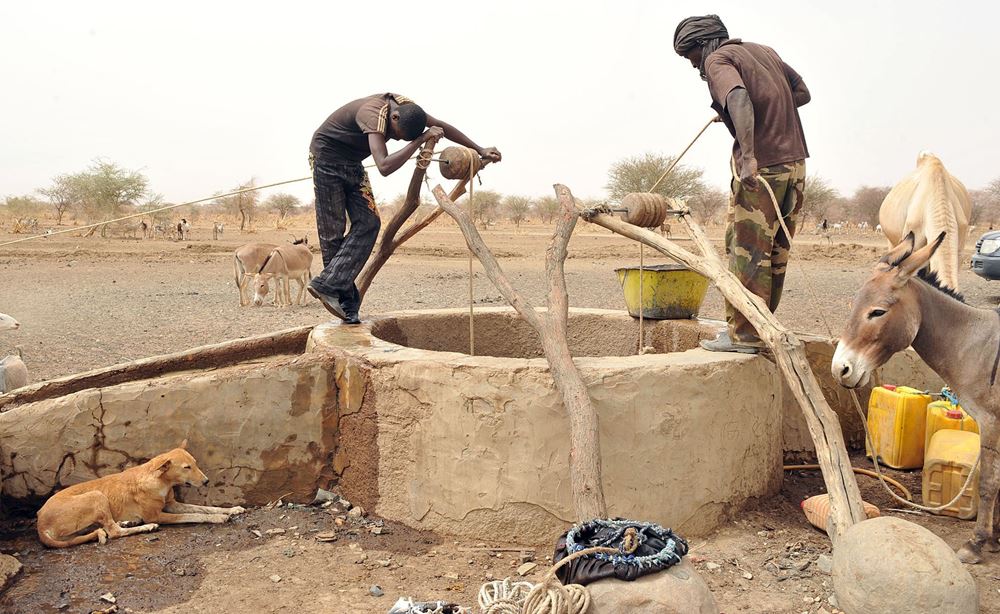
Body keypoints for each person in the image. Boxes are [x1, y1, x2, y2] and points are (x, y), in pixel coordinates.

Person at [673, 15, 810, 353]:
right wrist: (751, 113)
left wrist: (749, 153)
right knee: (775, 253)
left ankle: (744, 336)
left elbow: (738, 96)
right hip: (794, 165)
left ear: (704, 45)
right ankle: (763, 329)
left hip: (760, 170)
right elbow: (802, 93)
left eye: (692, 58)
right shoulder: (764, 51)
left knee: (746, 251)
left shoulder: (718, 59)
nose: (696, 67)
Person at [307, 93, 501, 323]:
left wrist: (479, 149)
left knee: (370, 223)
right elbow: (385, 166)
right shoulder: (372, 115)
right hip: (326, 159)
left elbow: (443, 127)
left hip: (352, 163)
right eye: (397, 137)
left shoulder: (408, 109)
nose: (397, 140)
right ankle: (344, 299)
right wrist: (419, 140)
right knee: (333, 232)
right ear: (394, 118)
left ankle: (330, 287)